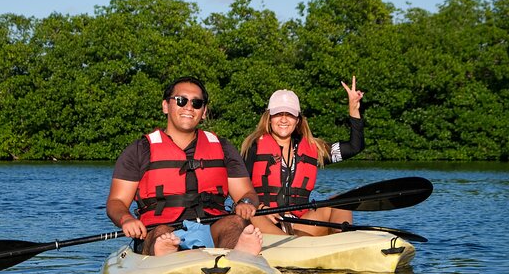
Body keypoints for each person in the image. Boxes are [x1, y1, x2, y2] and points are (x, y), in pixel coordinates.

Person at [106, 76, 263, 256]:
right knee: (161, 233)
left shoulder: (223, 148)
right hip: (160, 228)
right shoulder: (139, 150)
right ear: (165, 106)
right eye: (181, 101)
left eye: (197, 103)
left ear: (203, 112)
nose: (189, 107)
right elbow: (116, 202)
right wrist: (126, 219)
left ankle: (240, 253)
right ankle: (166, 251)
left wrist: (246, 203)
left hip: (211, 227)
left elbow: (246, 193)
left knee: (234, 223)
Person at [240, 76, 364, 236]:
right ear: (269, 118)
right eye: (278, 114)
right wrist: (261, 208)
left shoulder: (314, 149)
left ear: (298, 120)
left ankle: (344, 239)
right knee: (250, 212)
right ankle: (290, 245)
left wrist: (354, 109)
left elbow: (355, 147)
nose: (284, 119)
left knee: (340, 200)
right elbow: (239, 188)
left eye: (289, 115)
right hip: (263, 221)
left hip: (299, 224)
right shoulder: (253, 147)